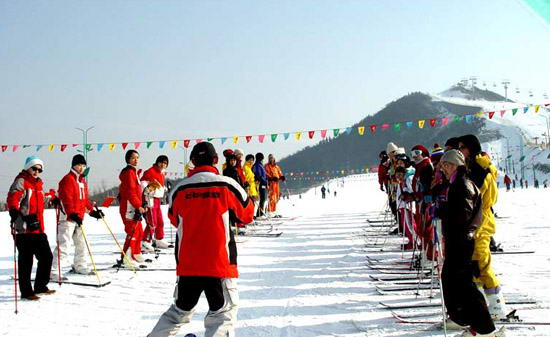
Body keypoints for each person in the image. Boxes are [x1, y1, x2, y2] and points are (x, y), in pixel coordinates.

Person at [148, 142, 255, 337]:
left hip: (188, 265)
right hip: (219, 264)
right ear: (215, 160)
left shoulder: (179, 190)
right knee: (222, 314)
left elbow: (173, 218)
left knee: (179, 312)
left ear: (193, 162)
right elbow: (247, 214)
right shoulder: (226, 185)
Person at [437, 150, 501, 337]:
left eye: (447, 165)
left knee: (463, 286)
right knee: (454, 283)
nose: (444, 169)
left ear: (457, 165)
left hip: (462, 241)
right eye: (443, 165)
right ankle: (468, 321)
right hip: (458, 240)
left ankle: (484, 328)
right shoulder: (456, 183)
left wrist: (443, 210)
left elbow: (462, 216)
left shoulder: (462, 184)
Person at [458, 134, 507, 319]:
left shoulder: (479, 168)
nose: (460, 151)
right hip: (476, 222)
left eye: (462, 147)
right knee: (475, 265)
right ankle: (481, 304)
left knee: (481, 265)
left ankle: (496, 306)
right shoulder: (473, 166)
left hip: (480, 222)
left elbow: (474, 196)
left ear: (471, 148)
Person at [7, 156, 55, 300]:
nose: (36, 172)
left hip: (38, 227)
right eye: (34, 168)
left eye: (39, 170)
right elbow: (12, 199)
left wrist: (53, 198)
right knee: (26, 261)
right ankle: (26, 292)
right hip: (24, 229)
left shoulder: (38, 184)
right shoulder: (21, 181)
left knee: (46, 257)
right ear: (28, 167)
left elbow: (42, 198)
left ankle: (40, 286)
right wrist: (17, 214)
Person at [52, 154, 104, 279]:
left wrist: (92, 212)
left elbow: (84, 200)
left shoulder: (82, 181)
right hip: (67, 218)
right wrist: (72, 213)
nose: (81, 167)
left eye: (83, 165)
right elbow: (66, 199)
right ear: (73, 165)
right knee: (64, 245)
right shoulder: (67, 179)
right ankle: (53, 271)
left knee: (81, 244)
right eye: (78, 165)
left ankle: (80, 265)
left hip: (78, 218)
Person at [119, 150, 148, 267]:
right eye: (133, 158)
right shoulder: (129, 173)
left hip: (134, 205)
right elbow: (131, 192)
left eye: (137, 157)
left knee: (139, 231)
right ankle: (127, 257)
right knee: (132, 231)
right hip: (129, 206)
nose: (136, 160)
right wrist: (138, 205)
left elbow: (137, 191)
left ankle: (136, 252)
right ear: (128, 160)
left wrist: (143, 203)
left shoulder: (135, 172)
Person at [141, 155, 170, 251]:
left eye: (165, 163)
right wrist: (148, 189)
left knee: (160, 221)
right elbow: (143, 184)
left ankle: (159, 239)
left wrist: (164, 189)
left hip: (157, 200)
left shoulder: (161, 173)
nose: (163, 165)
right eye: (161, 162)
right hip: (150, 200)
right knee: (152, 222)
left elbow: (158, 186)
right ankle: (145, 241)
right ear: (157, 162)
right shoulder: (150, 171)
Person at [394, 162, 416, 251]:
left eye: (400, 175)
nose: (398, 177)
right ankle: (411, 241)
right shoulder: (402, 181)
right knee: (406, 226)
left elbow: (412, 191)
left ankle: (415, 242)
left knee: (410, 225)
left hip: (408, 205)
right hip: (403, 205)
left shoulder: (408, 179)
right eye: (397, 175)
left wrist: (406, 194)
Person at [252, 152, 268, 217]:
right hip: (260, 183)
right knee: (262, 198)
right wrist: (263, 180)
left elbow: (263, 174)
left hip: (263, 183)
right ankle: (259, 213)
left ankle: (260, 213)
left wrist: (266, 179)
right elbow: (258, 175)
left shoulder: (260, 165)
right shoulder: (257, 165)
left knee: (263, 198)